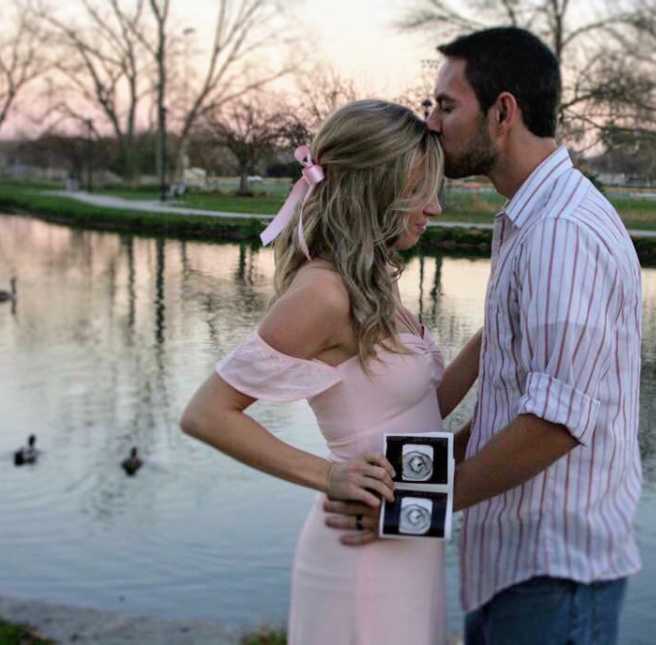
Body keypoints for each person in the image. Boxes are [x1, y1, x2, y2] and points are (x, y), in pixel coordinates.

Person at [325, 28, 643, 645]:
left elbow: (555, 424)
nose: (432, 123)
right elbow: (513, 400)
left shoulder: (560, 234)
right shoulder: (532, 221)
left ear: (503, 112)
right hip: (518, 568)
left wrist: (409, 510)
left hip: (554, 576)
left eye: (446, 106)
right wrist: (413, 473)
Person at [180, 99, 482, 645]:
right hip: (359, 559)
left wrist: (491, 339)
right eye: (421, 188)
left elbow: (418, 410)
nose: (435, 207)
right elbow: (206, 414)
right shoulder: (322, 291)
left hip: (406, 539)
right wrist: (329, 475)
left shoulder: (374, 282)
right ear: (375, 186)